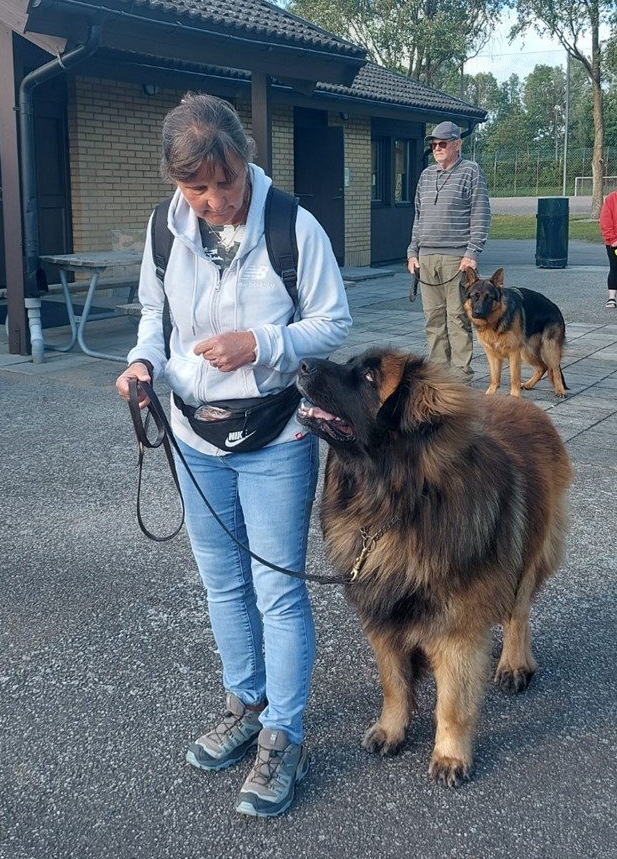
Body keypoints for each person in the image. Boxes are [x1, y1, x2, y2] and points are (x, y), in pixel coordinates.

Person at [115, 93, 352, 817]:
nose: (215, 201)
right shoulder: (164, 230)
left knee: (277, 589)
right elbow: (155, 315)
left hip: (275, 436)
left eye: (227, 182)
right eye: (198, 188)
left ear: (247, 161)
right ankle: (245, 704)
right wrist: (142, 363)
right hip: (194, 434)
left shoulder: (292, 226)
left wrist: (263, 342)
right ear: (175, 181)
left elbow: (333, 322)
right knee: (222, 585)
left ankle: (285, 733)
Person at [407, 121, 491, 381]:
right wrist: (412, 251)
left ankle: (461, 375)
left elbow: (481, 213)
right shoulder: (426, 175)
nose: (437, 148)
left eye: (443, 143)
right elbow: (418, 216)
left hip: (457, 258)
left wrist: (472, 252)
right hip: (426, 257)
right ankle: (439, 373)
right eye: (434, 144)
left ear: (458, 144)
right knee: (432, 318)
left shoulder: (471, 171)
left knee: (457, 317)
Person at [598, 189, 617, 308]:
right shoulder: (611, 199)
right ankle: (612, 297)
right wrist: (613, 239)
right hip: (614, 243)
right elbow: (605, 221)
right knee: (615, 268)